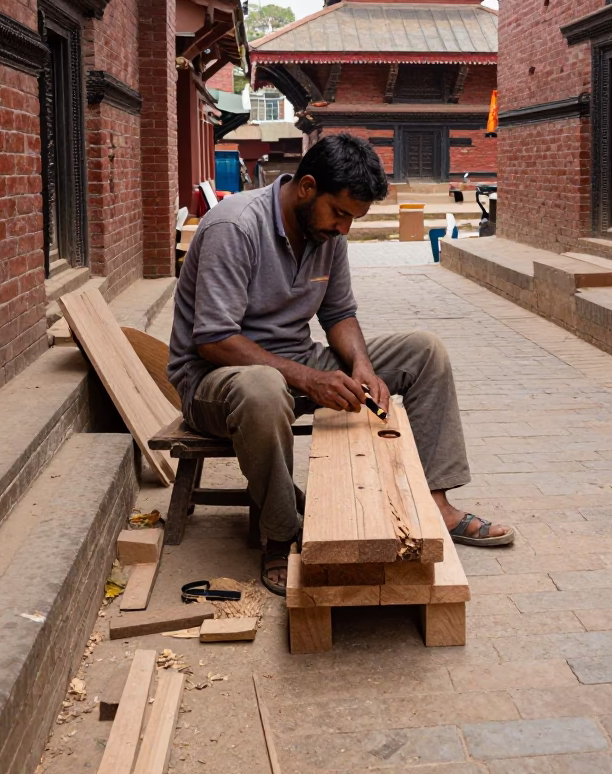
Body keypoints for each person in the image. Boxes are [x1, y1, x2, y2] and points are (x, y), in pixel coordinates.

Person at [168, 133, 513, 594]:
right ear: (307, 187)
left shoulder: (326, 231)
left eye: (354, 218)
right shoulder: (234, 227)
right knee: (264, 389)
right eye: (342, 214)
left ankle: (436, 504)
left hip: (296, 362)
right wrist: (310, 379)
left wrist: (362, 367)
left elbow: (339, 314)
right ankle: (281, 531)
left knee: (424, 351)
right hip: (217, 380)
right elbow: (214, 339)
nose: (345, 229)